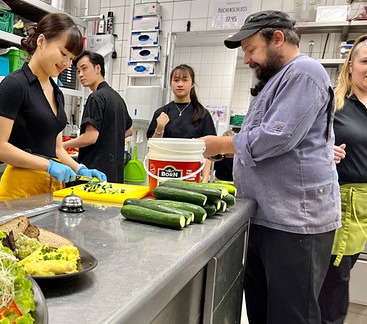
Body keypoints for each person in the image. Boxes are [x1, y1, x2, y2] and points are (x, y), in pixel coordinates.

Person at [200, 10, 340, 323]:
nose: (247, 59)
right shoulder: (276, 80)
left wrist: (221, 146)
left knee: (292, 315)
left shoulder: (304, 72)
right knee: (263, 311)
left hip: (295, 222)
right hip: (268, 216)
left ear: (277, 38)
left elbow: (277, 138)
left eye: (251, 49)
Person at [0, 13, 106, 201]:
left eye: (71, 59)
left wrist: (80, 168)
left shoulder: (57, 92)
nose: (67, 64)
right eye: (63, 53)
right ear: (41, 41)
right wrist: (48, 165)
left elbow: (57, 149)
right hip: (19, 189)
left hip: (50, 189)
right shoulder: (15, 84)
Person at [319, 34, 367, 324]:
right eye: (365, 61)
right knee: (335, 283)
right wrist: (325, 151)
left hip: (364, 208)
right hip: (341, 205)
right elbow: (307, 145)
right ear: (350, 65)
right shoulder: (334, 103)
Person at [62, 51, 134, 183]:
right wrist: (110, 137)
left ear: (97, 68)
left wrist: (62, 145)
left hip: (95, 173)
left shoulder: (96, 97)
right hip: (115, 173)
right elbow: (129, 130)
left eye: (84, 68)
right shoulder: (117, 98)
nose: (80, 75)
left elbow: (90, 137)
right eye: (78, 71)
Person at [145, 64, 216, 183]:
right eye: (176, 80)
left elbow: (209, 149)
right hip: (164, 170)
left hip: (191, 172)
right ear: (171, 83)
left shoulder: (202, 114)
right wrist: (160, 128)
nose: (180, 84)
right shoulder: (161, 112)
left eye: (185, 80)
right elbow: (152, 147)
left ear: (192, 83)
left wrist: (204, 180)